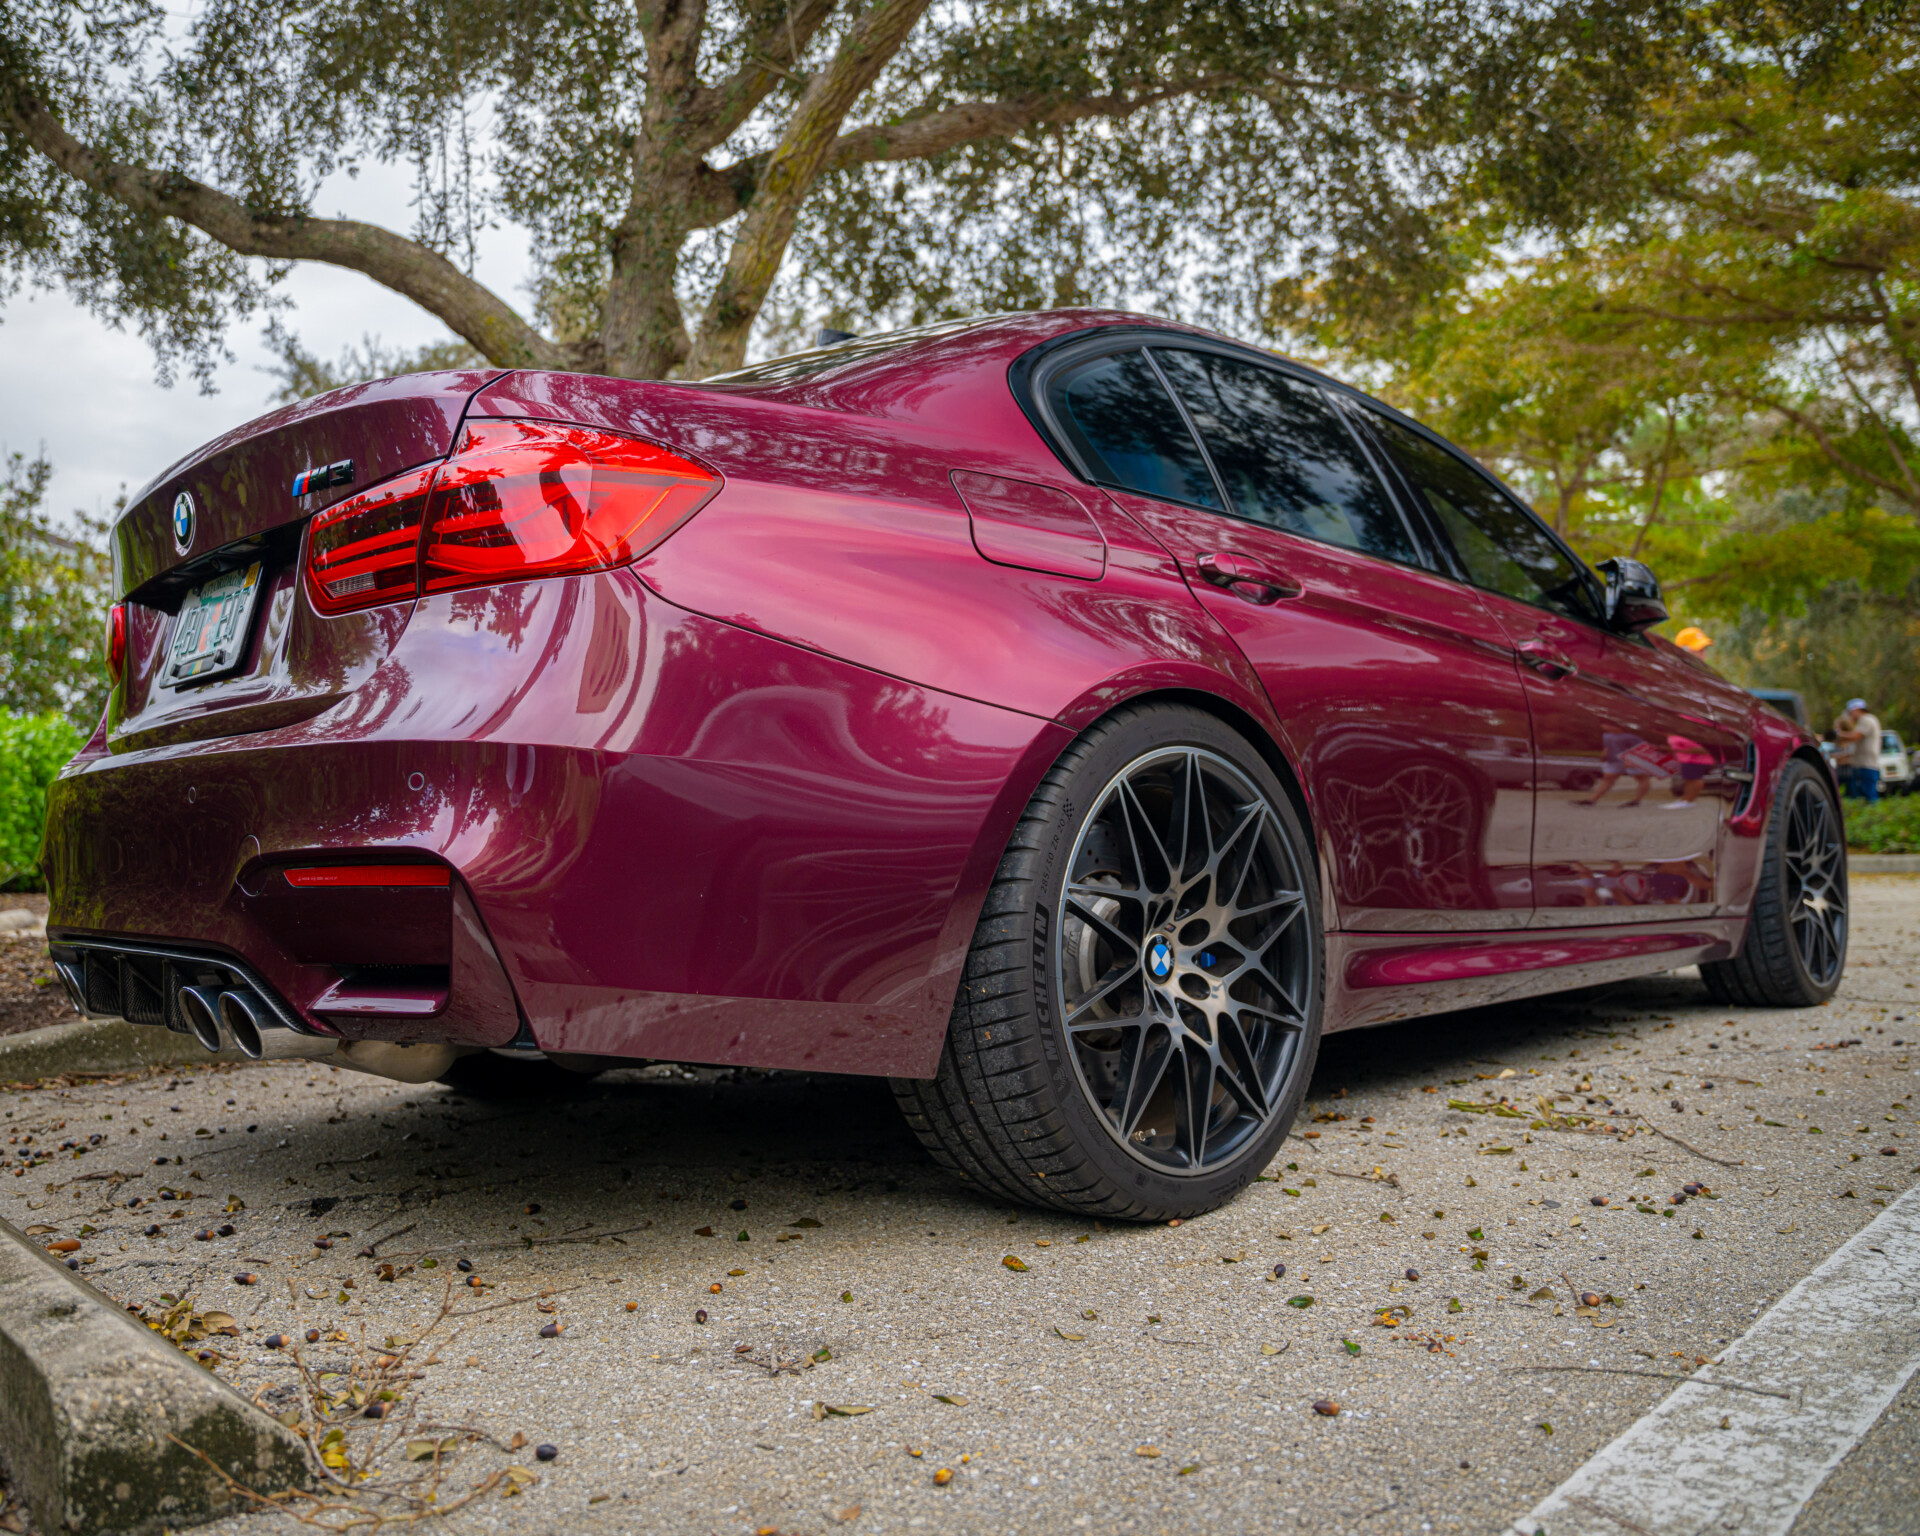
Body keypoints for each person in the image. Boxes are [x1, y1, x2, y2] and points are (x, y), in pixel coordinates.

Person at [1834, 698, 1883, 802]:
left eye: (1850, 712)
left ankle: (1874, 816)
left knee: (1870, 796)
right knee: (1864, 797)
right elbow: (1854, 749)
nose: (1849, 716)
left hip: (1867, 766)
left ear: (1856, 709)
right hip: (1863, 765)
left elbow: (1854, 737)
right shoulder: (1865, 721)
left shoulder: (1866, 720)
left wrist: (1837, 734)